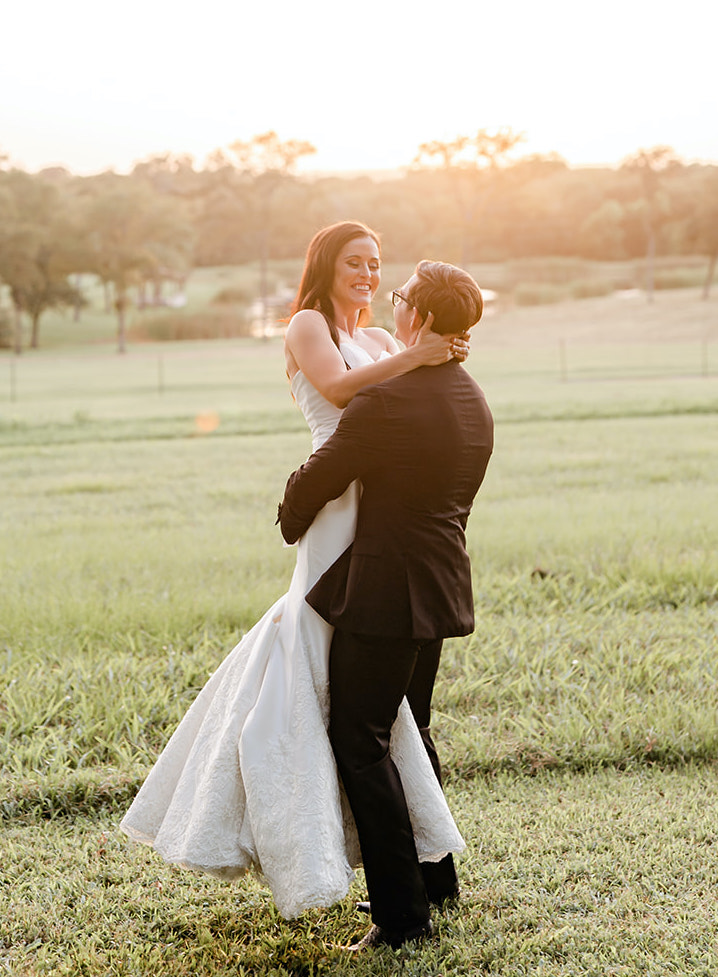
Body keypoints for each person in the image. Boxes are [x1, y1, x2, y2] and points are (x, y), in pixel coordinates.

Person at [120, 222, 470, 920]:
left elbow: (409, 396)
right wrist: (420, 353)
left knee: (381, 710)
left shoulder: (378, 340)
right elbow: (340, 393)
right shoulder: (309, 324)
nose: (368, 275)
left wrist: (436, 353)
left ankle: (424, 873)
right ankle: (320, 835)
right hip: (334, 511)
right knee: (325, 673)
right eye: (354, 263)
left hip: (379, 519)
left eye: (375, 264)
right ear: (325, 265)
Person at [279, 258, 494, 950]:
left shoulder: (387, 402)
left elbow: (320, 477)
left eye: (400, 295)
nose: (392, 302)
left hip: (384, 592)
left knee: (362, 739)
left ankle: (403, 919)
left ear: (420, 320)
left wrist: (288, 512)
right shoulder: (472, 397)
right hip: (441, 583)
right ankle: (437, 881)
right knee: (411, 727)